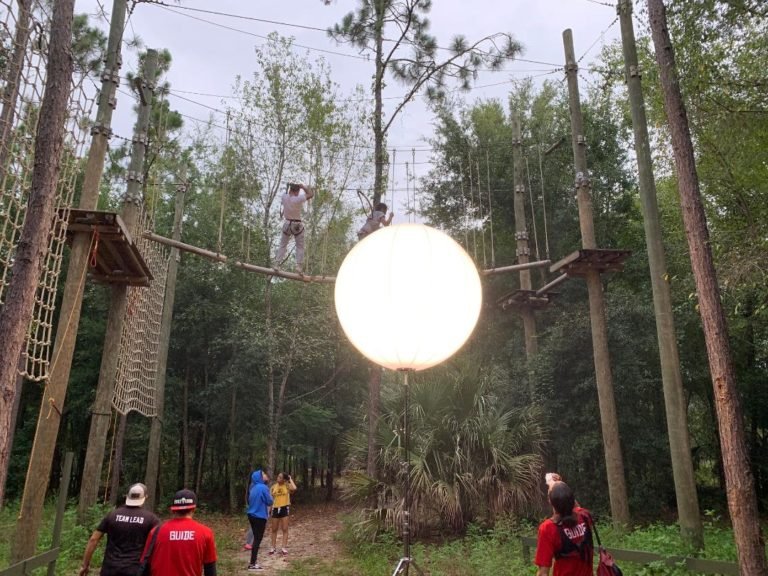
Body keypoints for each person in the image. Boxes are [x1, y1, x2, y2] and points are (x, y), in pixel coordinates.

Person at [79, 483, 159, 576]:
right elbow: (158, 544)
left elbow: (93, 539)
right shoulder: (151, 519)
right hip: (135, 570)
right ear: (145, 497)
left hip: (110, 569)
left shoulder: (112, 515)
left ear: (127, 496)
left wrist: (85, 565)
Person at [139, 489, 217, 576]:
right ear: (194, 509)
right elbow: (210, 569)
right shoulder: (205, 533)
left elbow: (145, 566)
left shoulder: (155, 532)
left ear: (172, 510)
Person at [535, 481, 594, 576]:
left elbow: (543, 573)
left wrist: (555, 489)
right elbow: (576, 507)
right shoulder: (585, 516)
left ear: (550, 501)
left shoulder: (548, 528)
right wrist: (561, 487)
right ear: (572, 499)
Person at [275, 181, 315, 273]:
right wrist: (303, 187)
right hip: (297, 225)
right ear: (297, 192)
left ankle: (277, 263)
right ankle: (298, 266)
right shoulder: (298, 199)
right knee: (300, 246)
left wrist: (293, 187)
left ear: (290, 190)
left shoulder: (284, 197)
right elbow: (311, 194)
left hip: (287, 224)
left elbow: (287, 194)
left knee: (283, 245)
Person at [246, 467, 274, 571]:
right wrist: (271, 498)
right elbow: (269, 502)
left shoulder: (253, 488)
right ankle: (252, 564)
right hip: (259, 517)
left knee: (256, 539)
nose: (266, 475)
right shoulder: (263, 487)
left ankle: (253, 562)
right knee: (257, 540)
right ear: (259, 477)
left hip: (251, 515)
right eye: (264, 474)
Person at [268, 472, 298, 556]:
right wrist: (268, 511)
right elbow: (270, 500)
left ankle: (284, 548)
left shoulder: (287, 486)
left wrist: (290, 479)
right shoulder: (273, 487)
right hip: (275, 508)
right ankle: (273, 547)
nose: (278, 478)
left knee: (285, 528)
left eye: (280, 477)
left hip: (284, 508)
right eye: (278, 477)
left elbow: (294, 488)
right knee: (274, 529)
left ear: (284, 479)